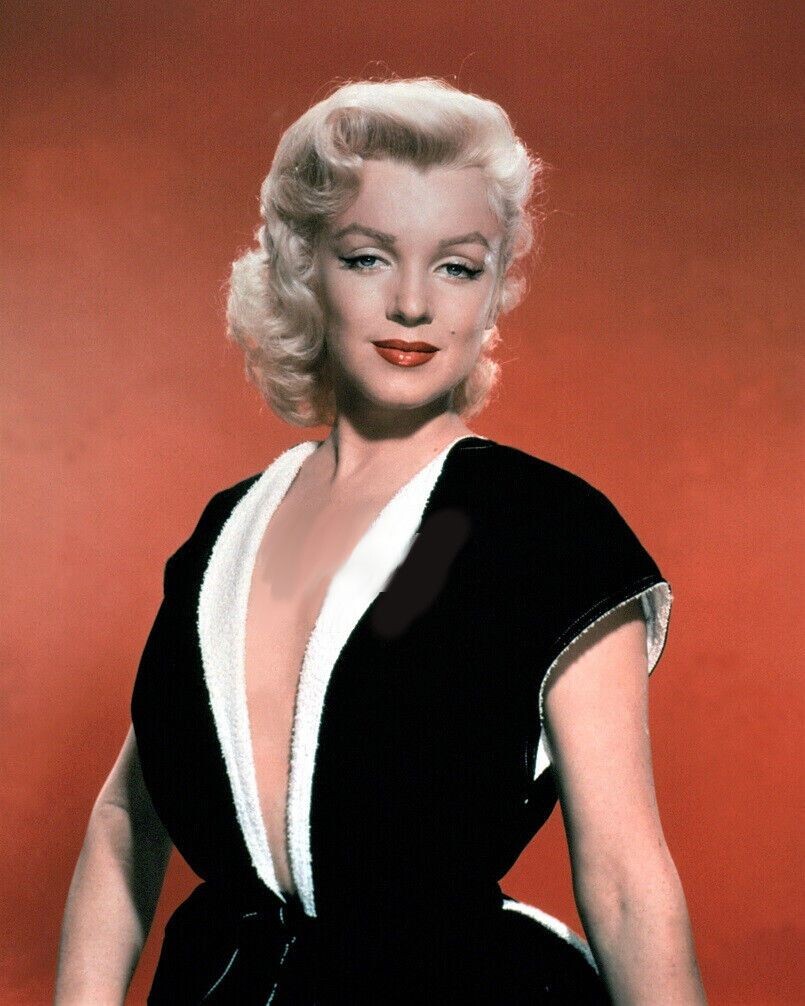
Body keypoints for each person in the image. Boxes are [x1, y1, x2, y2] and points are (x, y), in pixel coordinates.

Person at [55, 77, 707, 1004]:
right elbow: (128, 817)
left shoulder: (554, 534)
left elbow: (626, 883)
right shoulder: (223, 534)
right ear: (303, 270)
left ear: (495, 288)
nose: (412, 303)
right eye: (367, 258)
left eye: (457, 267)